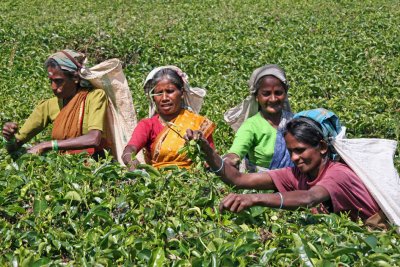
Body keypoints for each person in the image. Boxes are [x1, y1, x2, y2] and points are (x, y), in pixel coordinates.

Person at [186, 109, 387, 228]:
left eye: (300, 150)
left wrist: (255, 198)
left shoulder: (338, 174)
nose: (295, 158)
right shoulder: (298, 173)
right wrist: (207, 151)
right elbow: (238, 179)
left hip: (376, 234)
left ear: (323, 147)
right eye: (291, 151)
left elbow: (309, 198)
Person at [2, 49, 109, 158]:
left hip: (95, 165)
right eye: (51, 81)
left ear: (75, 78)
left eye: (58, 81)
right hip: (63, 167)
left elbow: (93, 138)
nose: (53, 87)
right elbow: (15, 146)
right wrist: (10, 138)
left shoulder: (94, 97)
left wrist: (48, 145)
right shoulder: (48, 106)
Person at [122, 66, 215, 170]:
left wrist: (202, 144)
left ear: (182, 93)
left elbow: (212, 161)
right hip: (158, 182)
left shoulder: (198, 123)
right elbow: (129, 150)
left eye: (170, 91)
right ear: (153, 97)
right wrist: (135, 168)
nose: (164, 98)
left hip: (195, 182)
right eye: (159, 93)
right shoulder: (148, 125)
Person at [223, 64, 293, 172]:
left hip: (295, 183)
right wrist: (228, 160)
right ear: (256, 96)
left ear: (285, 93)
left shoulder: (294, 121)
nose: (273, 99)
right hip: (261, 184)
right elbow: (236, 151)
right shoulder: (252, 125)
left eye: (278, 93)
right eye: (266, 94)